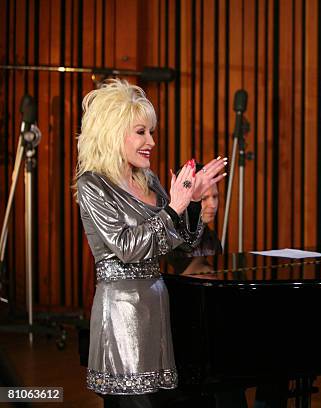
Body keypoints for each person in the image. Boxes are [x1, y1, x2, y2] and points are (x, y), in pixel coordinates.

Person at [75, 79, 226, 407]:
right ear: (114, 132)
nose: (152, 142)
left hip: (157, 306)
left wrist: (194, 203)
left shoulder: (149, 179)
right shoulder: (93, 185)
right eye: (141, 131)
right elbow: (127, 247)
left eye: (151, 132)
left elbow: (183, 249)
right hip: (122, 313)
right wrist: (173, 208)